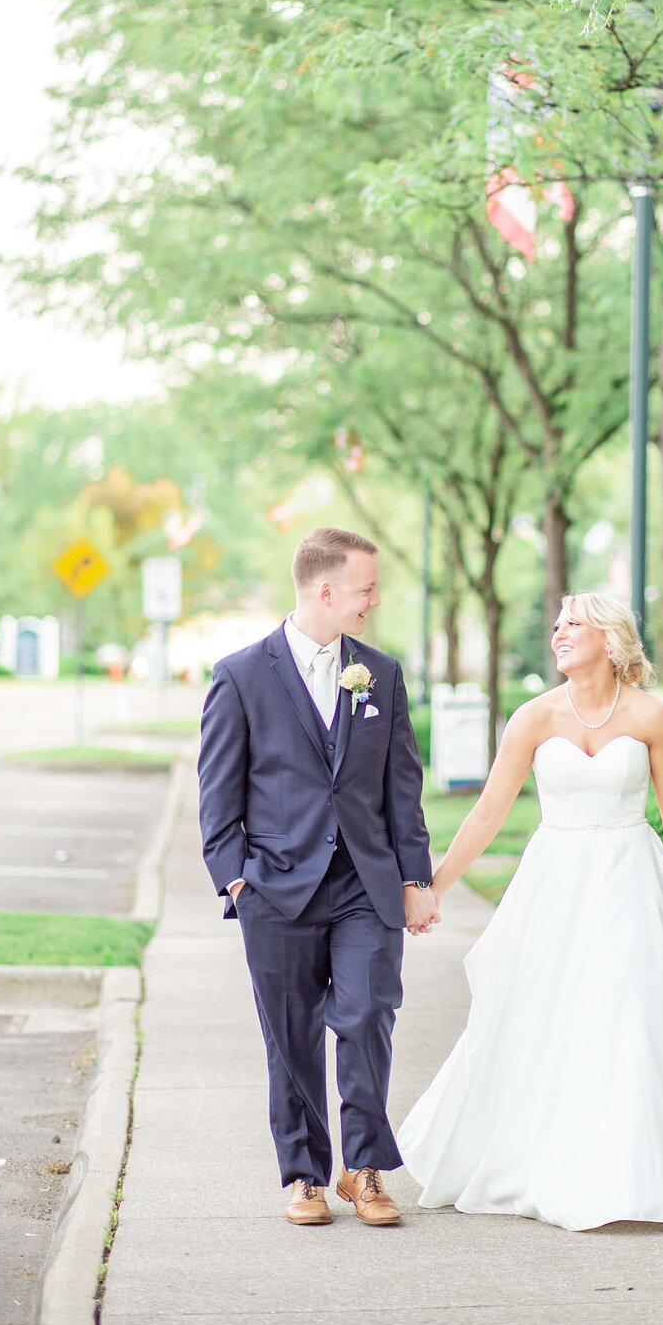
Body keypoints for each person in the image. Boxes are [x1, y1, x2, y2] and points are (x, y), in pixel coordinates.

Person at [399, 591, 663, 1231]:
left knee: (629, 1015)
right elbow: (490, 809)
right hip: (556, 885)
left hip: (631, 877)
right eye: (556, 625)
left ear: (610, 637)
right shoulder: (533, 718)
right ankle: (547, 1160)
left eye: (574, 623)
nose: (559, 633)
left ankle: (633, 1173)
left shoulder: (652, 716)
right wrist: (434, 883)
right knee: (549, 1012)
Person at [198, 526, 439, 1227]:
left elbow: (402, 787)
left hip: (366, 882)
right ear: (326, 589)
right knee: (290, 1032)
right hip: (275, 885)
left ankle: (362, 1169)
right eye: (367, 588)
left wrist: (415, 876)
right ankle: (303, 1172)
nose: (375, 600)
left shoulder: (381, 674)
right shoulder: (241, 675)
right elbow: (219, 795)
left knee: (366, 1015)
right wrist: (237, 881)